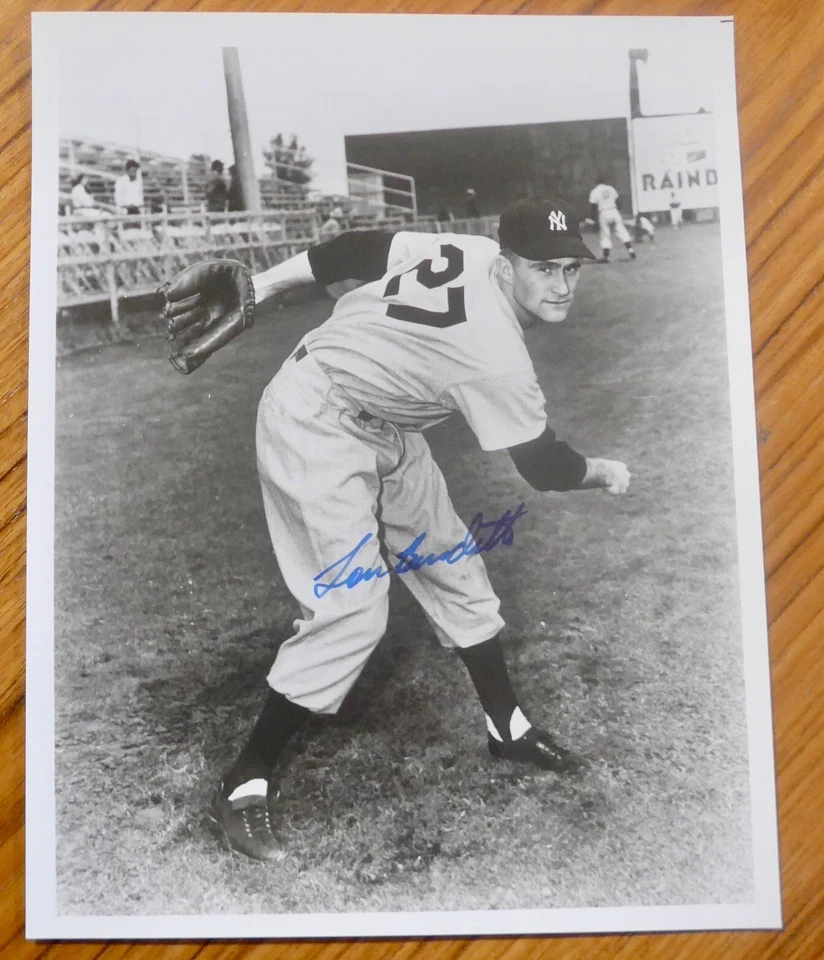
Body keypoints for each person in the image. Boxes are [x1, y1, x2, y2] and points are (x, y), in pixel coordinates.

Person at [160, 197, 631, 861]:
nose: (559, 285)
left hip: (384, 420)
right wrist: (605, 472)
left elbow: (354, 250)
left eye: (570, 270)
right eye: (543, 268)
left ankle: (509, 727)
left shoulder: (468, 249)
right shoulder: (495, 355)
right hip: (314, 418)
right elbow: (549, 469)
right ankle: (245, 781)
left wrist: (264, 286)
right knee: (352, 610)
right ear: (508, 264)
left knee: (454, 563)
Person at [588, 176, 636, 262]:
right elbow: (618, 201)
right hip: (614, 210)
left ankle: (606, 256)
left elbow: (593, 207)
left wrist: (594, 220)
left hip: (603, 212)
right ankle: (630, 250)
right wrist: (618, 212)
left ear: (596, 182)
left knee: (605, 234)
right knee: (621, 230)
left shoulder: (594, 191)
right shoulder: (611, 188)